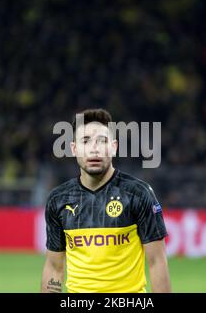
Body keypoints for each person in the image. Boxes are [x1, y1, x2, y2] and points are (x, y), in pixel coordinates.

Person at [41, 108, 171, 293]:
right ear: (73, 148)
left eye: (102, 141)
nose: (94, 148)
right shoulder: (58, 200)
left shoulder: (138, 194)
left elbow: (157, 262)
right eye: (85, 141)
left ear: (114, 146)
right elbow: (54, 267)